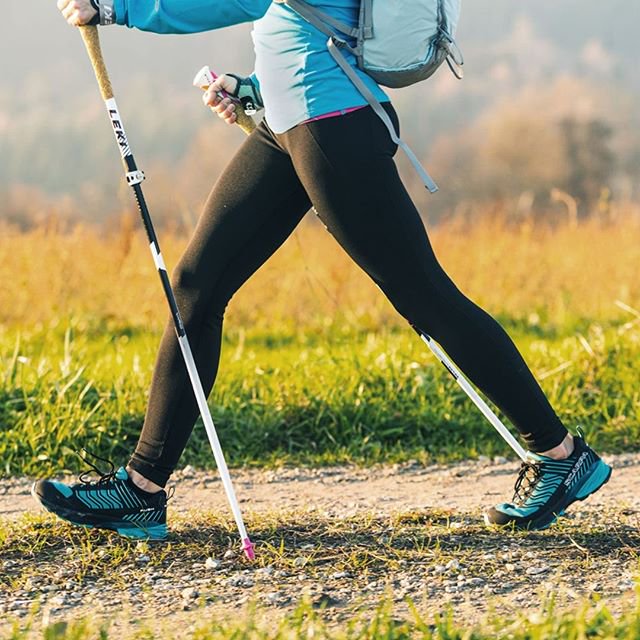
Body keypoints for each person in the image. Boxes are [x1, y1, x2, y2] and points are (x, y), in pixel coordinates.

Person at [33, 0, 611, 540]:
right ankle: (142, 489)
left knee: (426, 296)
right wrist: (255, 89)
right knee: (194, 287)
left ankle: (562, 457)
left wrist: (117, 8)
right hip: (290, 125)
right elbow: (308, 20)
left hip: (332, 125)